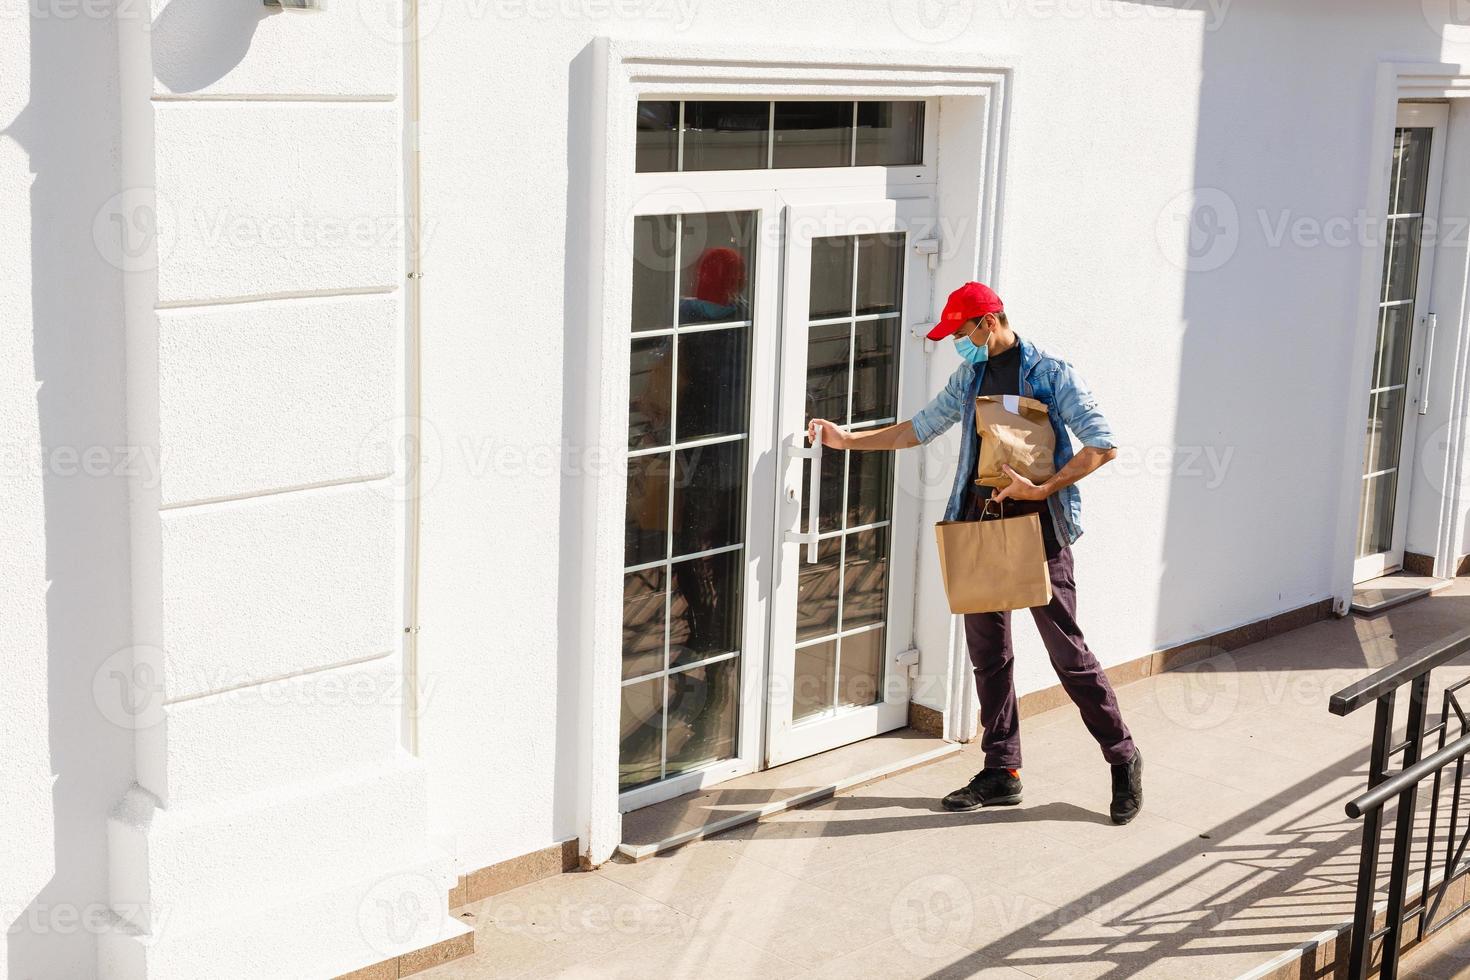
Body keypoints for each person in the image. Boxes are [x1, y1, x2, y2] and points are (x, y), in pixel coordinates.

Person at [806, 281, 1144, 825]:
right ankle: (1001, 770)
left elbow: (1102, 445)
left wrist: (1043, 488)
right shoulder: (971, 375)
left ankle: (1123, 757)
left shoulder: (1053, 374)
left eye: (961, 333)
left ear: (988, 324)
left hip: (1038, 532)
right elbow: (920, 428)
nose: (957, 345)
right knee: (990, 657)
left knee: (1069, 656)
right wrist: (848, 442)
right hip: (980, 527)